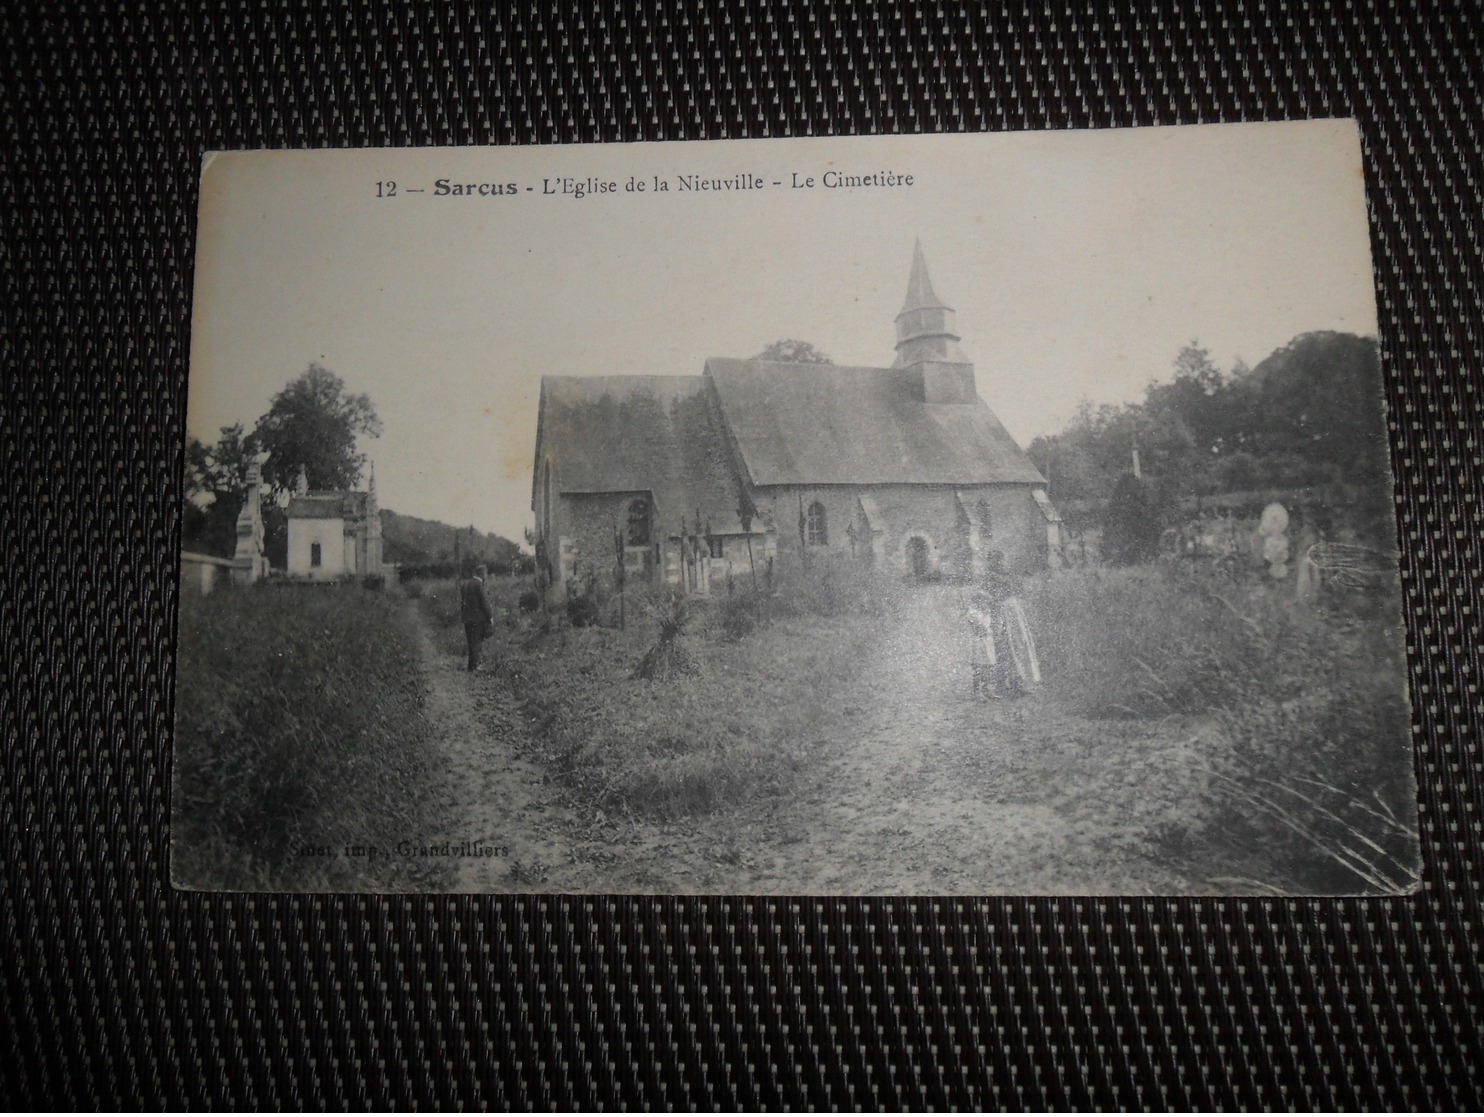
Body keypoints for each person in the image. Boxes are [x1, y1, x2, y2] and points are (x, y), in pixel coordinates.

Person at [965, 551, 1022, 700]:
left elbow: (1015, 590)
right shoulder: (986, 578)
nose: (996, 563)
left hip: (1005, 616)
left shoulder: (1006, 575)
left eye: (998, 560)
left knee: (1010, 649)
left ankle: (1015, 682)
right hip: (992, 618)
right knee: (994, 653)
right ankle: (996, 684)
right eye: (993, 561)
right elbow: (979, 600)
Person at [459, 564, 494, 672]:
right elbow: (485, 603)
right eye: (486, 573)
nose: (486, 576)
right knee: (478, 642)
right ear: (482, 574)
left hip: (467, 618)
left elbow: (462, 603)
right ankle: (475, 666)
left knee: (470, 642)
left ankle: (471, 666)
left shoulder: (465, 584)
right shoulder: (480, 585)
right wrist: (490, 617)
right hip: (478, 619)